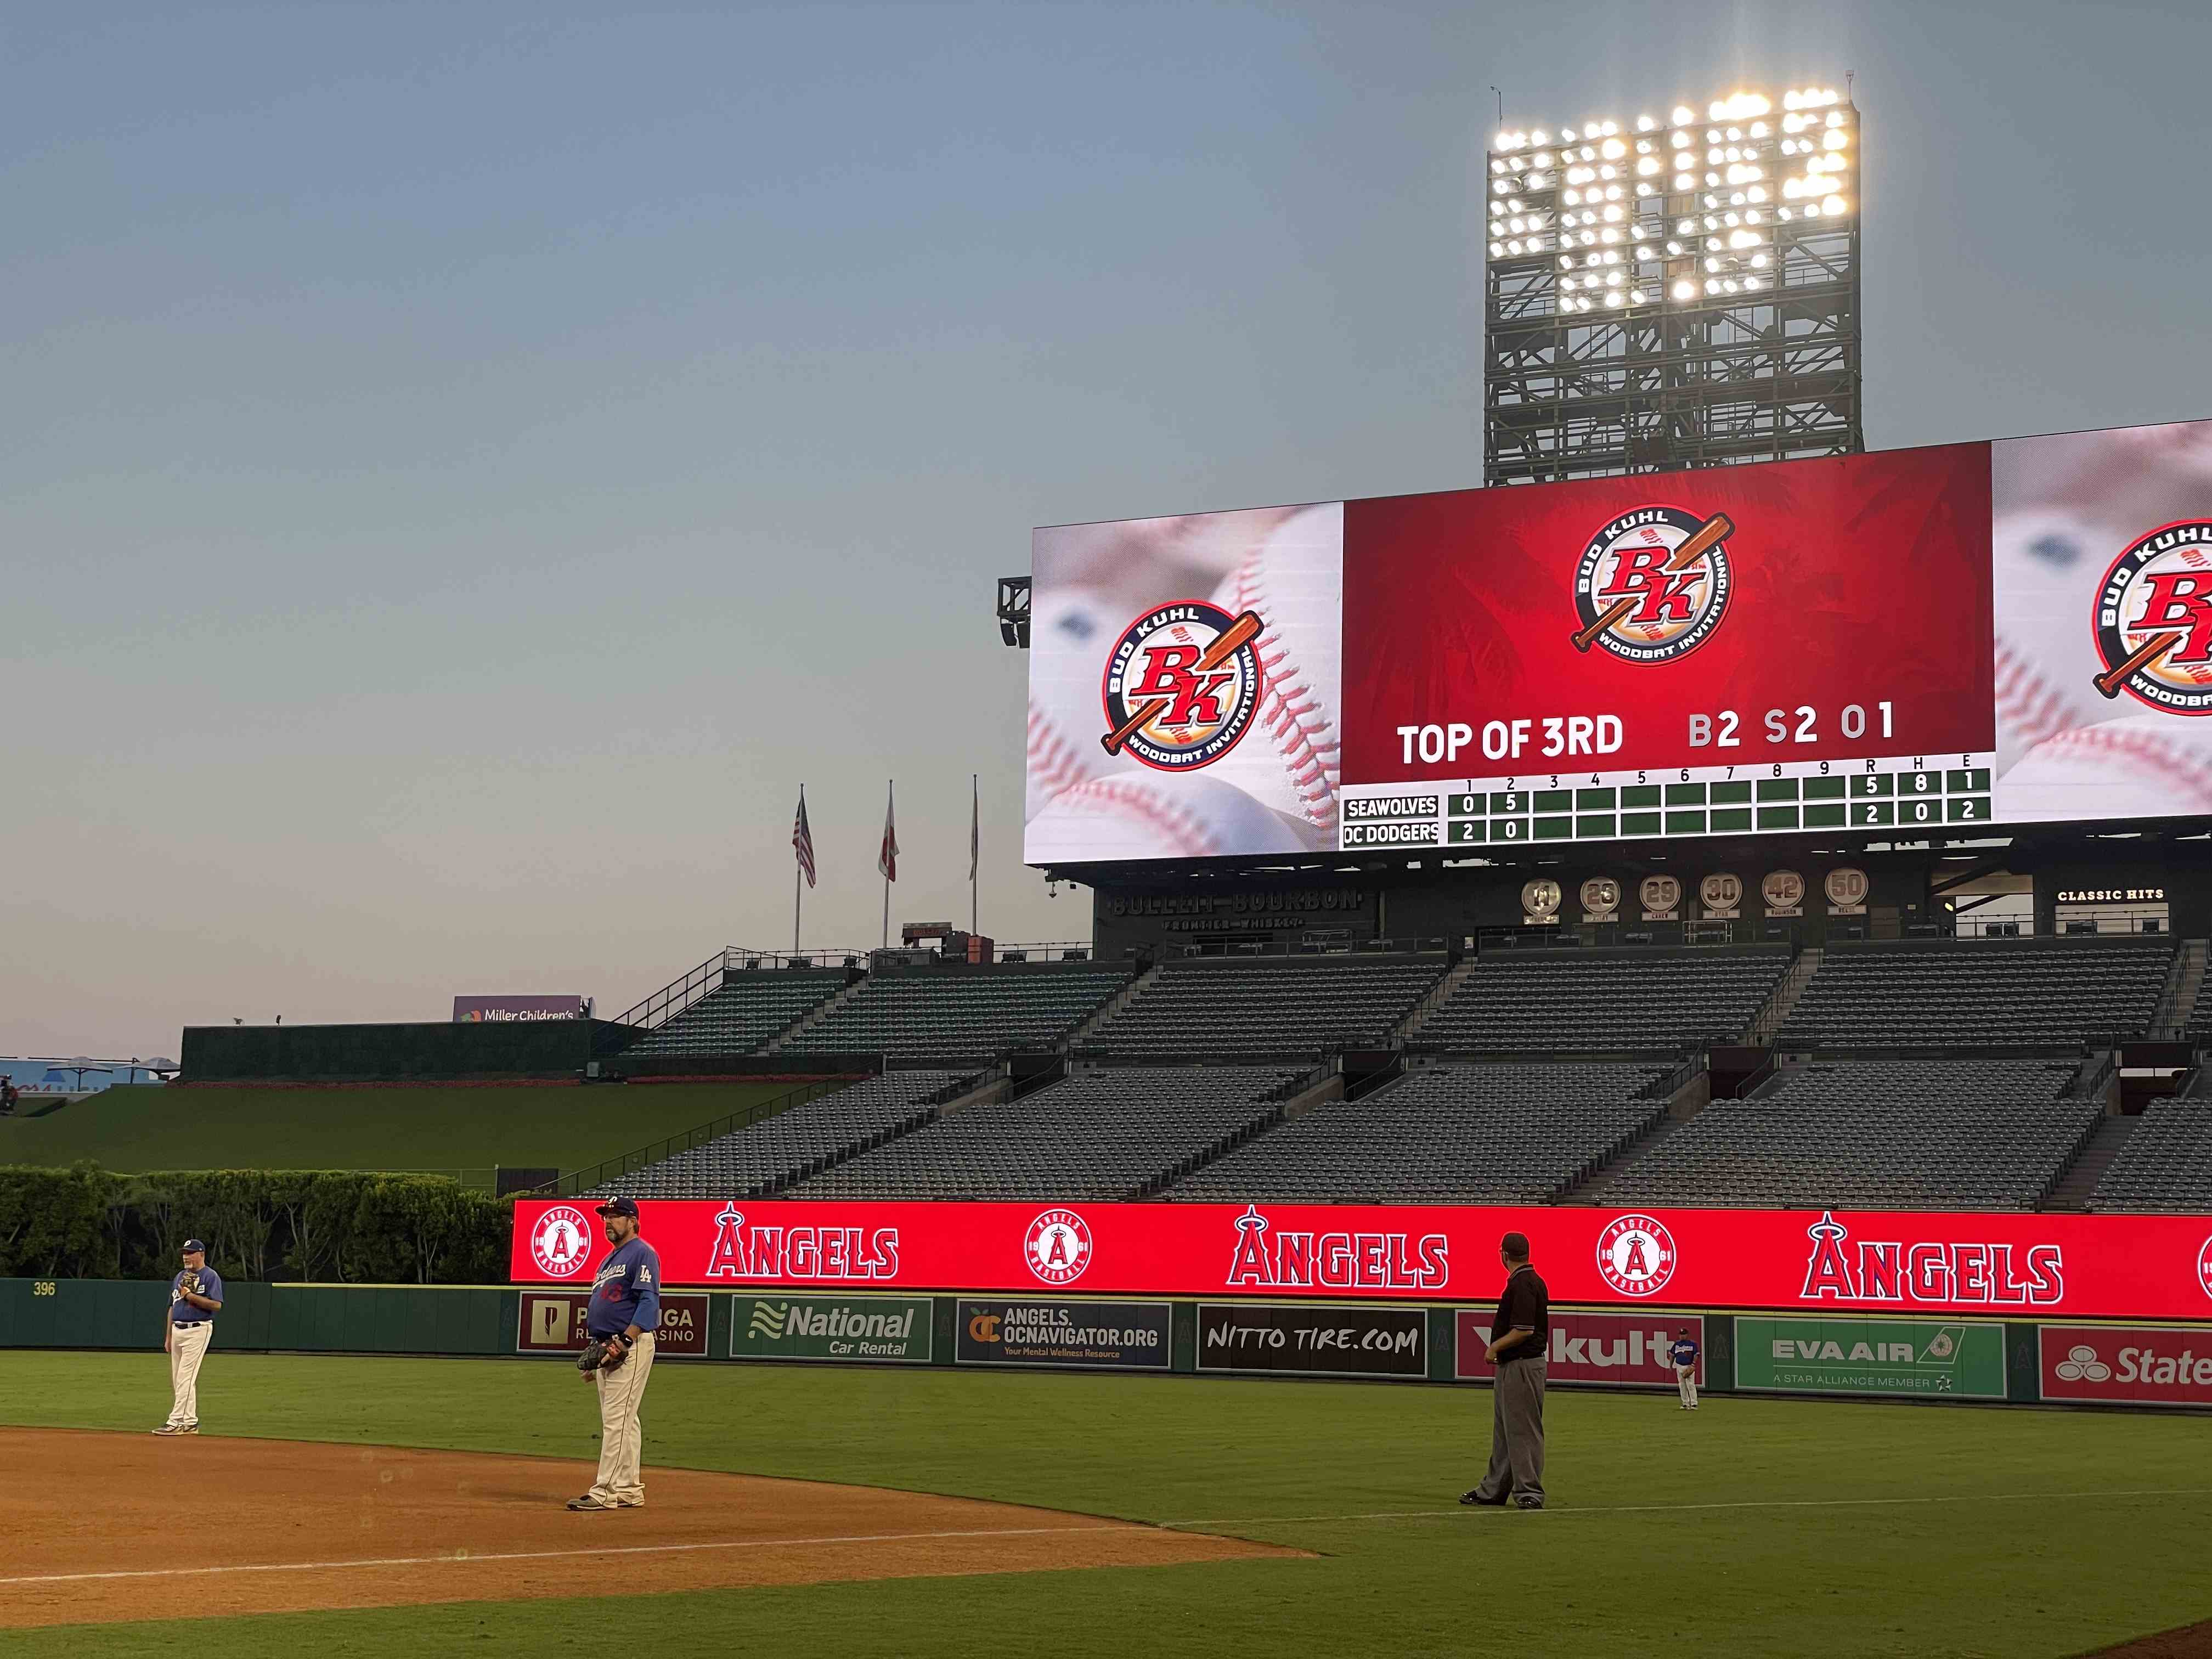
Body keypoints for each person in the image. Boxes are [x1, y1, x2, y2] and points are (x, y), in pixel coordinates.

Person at [567, 1197, 661, 1511]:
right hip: (607, 1346)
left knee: (617, 1420)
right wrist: (596, 1354)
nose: (609, 1221)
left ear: (633, 1221)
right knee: (626, 1420)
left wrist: (625, 1341)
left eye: (617, 1215)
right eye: (606, 1216)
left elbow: (648, 1303)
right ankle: (629, 1489)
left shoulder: (642, 1253)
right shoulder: (608, 1261)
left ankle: (604, 1492)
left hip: (629, 1345)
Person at [1460, 1230, 1548, 1511]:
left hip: (1522, 1364)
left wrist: (1494, 1347)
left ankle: (1529, 1492)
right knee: (1506, 1431)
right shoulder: (1529, 1280)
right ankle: (1494, 1489)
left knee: (1522, 1430)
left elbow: (1524, 1330)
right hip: (1517, 1365)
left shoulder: (1523, 1283)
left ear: (1504, 1255)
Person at [154, 1239, 223, 1436]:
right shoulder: (179, 1277)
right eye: (184, 1252)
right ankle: (191, 1422)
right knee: (179, 1379)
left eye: (191, 1252)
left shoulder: (210, 1276)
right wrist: (168, 1336)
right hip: (177, 1330)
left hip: (198, 1330)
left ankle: (175, 1422)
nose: (186, 1256)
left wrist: (190, 1296)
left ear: (201, 1254)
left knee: (185, 1377)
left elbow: (217, 1305)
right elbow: (172, 1307)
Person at [1671, 1327, 1701, 1410]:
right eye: (1681, 1335)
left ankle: (1694, 1404)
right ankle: (1685, 1404)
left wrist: (1693, 1364)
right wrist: (1671, 1366)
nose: (1682, 1336)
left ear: (1687, 1335)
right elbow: (1672, 1355)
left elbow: (1696, 1355)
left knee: (1691, 1385)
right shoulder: (1676, 1344)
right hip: (1679, 1366)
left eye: (1684, 1334)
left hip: (1689, 1366)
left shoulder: (1692, 1344)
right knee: (1682, 1385)